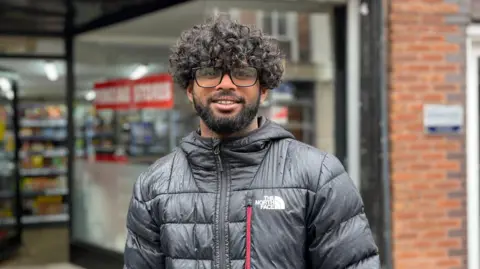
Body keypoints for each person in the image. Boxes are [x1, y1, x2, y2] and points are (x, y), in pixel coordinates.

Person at [124, 14, 380, 269]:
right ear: (190, 90)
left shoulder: (318, 176)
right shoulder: (154, 186)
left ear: (264, 89)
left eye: (242, 73)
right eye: (211, 72)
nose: (225, 84)